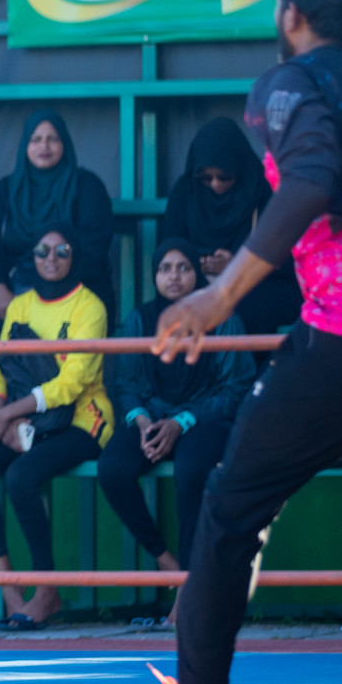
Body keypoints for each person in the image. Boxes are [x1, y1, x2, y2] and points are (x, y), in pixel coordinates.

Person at [151, 0, 342, 684]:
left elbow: (312, 178)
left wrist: (216, 296)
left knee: (231, 509)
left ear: (291, 12)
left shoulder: (290, 83)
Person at [0, 224, 114, 630]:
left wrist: (9, 415)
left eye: (62, 250)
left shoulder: (89, 306)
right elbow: (1, 370)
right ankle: (10, 589)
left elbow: (72, 383)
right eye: (43, 250)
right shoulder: (21, 305)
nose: (51, 258)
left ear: (74, 255)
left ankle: (47, 591)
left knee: (21, 476)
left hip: (81, 421)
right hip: (23, 420)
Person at [99, 239, 253, 623]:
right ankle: (167, 562)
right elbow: (126, 383)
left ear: (197, 275)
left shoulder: (223, 317)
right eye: (165, 268)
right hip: (151, 418)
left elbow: (234, 389)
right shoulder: (140, 319)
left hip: (203, 420)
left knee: (192, 471)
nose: (174, 276)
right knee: (113, 469)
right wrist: (142, 421)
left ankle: (189, 588)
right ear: (155, 275)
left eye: (183, 268)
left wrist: (181, 421)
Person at [0, 109, 115, 380]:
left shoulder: (86, 186)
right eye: (36, 139)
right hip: (11, 288)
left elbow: (93, 250)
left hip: (72, 285)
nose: (44, 146)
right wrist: (1, 296)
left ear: (64, 143)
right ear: (25, 146)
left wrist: (50, 300)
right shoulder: (4, 191)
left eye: (53, 139)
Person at [161, 117, 301, 352]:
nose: (215, 184)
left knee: (246, 306)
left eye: (224, 177)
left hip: (259, 286)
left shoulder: (262, 188)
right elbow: (169, 246)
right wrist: (193, 264)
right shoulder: (186, 192)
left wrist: (239, 265)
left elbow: (290, 256)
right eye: (206, 178)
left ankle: (244, 382)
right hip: (198, 282)